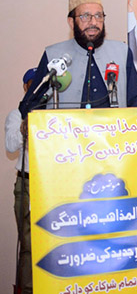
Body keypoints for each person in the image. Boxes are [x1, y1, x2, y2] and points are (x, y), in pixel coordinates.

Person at [19, 0, 137, 114]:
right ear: (71, 22)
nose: (93, 22)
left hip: (113, 127)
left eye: (98, 16)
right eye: (85, 16)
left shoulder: (121, 52)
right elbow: (30, 105)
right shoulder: (53, 55)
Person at [6, 67, 36, 294]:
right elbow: (10, 146)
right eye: (32, 84)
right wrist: (24, 127)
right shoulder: (17, 114)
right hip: (26, 184)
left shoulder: (53, 113)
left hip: (51, 185)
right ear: (25, 87)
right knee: (27, 246)